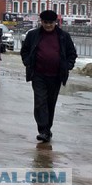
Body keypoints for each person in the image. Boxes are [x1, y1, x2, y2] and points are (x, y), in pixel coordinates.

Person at [21, 10, 77, 143]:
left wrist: (67, 66)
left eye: (50, 23)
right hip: (38, 75)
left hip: (56, 76)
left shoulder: (63, 36)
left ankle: (47, 130)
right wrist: (27, 62)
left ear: (55, 22)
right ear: (41, 22)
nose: (48, 25)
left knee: (50, 104)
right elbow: (25, 50)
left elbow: (72, 54)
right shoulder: (33, 35)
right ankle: (43, 130)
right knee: (40, 102)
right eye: (45, 22)